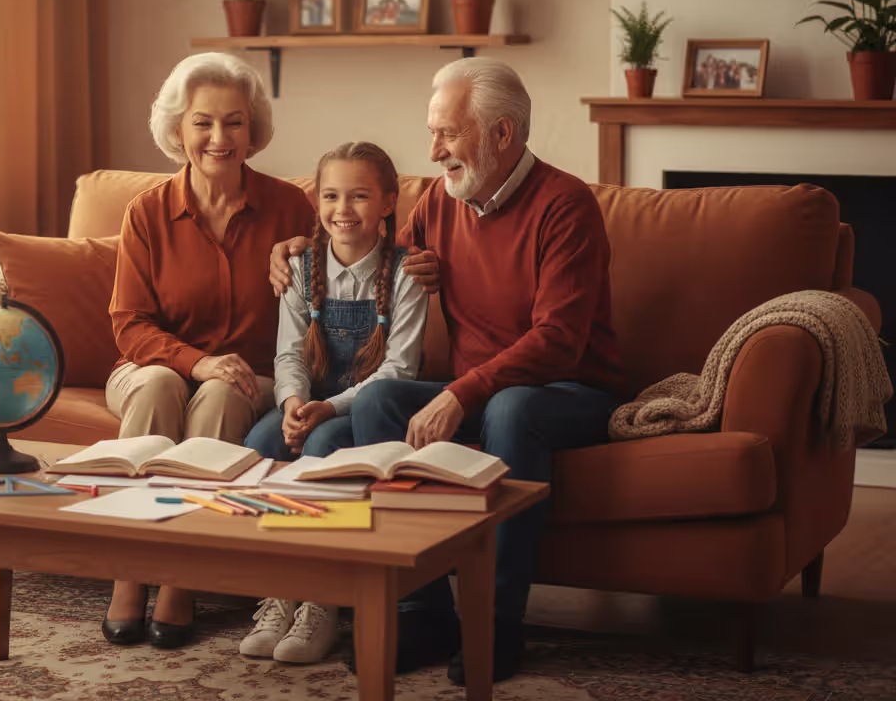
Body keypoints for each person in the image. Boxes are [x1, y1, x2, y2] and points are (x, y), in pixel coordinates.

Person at [269, 57, 624, 684]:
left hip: (569, 390)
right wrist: (300, 250)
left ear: (503, 135)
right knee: (381, 404)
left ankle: (497, 624)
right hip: (478, 389)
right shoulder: (441, 200)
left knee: (514, 407)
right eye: (433, 133)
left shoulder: (565, 205)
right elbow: (373, 254)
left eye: (448, 134)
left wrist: (463, 392)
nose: (432, 151)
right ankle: (422, 609)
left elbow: (560, 341)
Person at [103, 52, 315, 650]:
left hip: (252, 376)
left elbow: (345, 289)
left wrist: (310, 259)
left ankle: (180, 576)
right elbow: (129, 323)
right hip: (150, 367)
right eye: (203, 122)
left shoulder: (291, 208)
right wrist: (194, 360)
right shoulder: (146, 212)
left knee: (223, 389)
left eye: (234, 122)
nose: (219, 138)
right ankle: (130, 567)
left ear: (254, 131)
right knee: (160, 385)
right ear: (178, 130)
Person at [239, 142, 428, 664]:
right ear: (316, 202)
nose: (343, 209)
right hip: (308, 403)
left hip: (356, 412)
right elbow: (289, 354)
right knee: (258, 443)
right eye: (331, 196)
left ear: (389, 202)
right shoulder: (301, 266)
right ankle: (281, 592)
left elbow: (399, 370)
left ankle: (322, 601)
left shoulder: (408, 271)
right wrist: (294, 401)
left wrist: (329, 408)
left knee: (322, 445)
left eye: (360, 196)